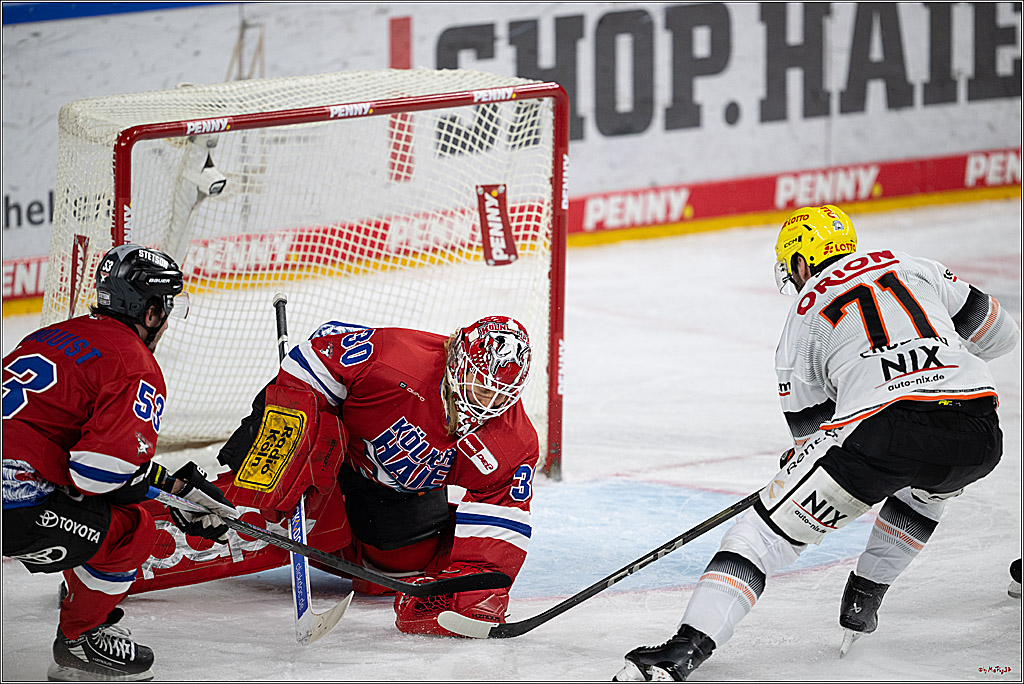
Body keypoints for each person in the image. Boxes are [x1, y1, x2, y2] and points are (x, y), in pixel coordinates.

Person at [615, 205, 1020, 681]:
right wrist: (932, 364)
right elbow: (1001, 336)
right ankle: (865, 595)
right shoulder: (913, 265)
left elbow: (813, 433)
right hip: (979, 432)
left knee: (761, 536)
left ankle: (685, 650)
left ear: (803, 262)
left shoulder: (803, 317)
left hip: (884, 432)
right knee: (927, 489)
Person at [127, 315, 539, 636]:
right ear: (454, 357)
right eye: (478, 384)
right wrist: (279, 443)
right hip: (333, 472)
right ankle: (116, 547)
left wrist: (477, 583)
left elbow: (504, 512)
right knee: (276, 487)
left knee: (402, 574)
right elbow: (312, 360)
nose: (484, 402)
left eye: (499, 395)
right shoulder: (396, 357)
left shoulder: (514, 441)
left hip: (395, 511)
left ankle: (356, 551)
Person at [2, 244, 239, 682]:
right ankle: (80, 640)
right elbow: (96, 473)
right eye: (167, 307)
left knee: (83, 499)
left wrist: (174, 488)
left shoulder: (50, 335)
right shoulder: (135, 364)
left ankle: (82, 591)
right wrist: (171, 498)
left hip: (17, 485)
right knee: (133, 527)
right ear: (150, 312)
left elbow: (62, 448)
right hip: (13, 509)